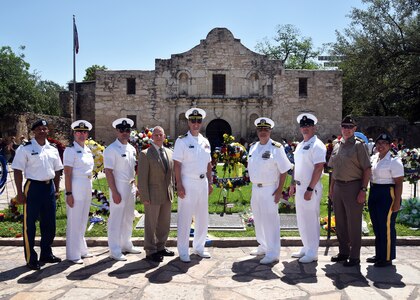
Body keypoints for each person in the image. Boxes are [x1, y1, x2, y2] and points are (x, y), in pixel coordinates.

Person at [11, 119, 63, 270]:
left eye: (45, 128)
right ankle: (31, 258)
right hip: (33, 188)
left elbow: (57, 170)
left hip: (49, 188)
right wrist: (20, 193)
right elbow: (17, 170)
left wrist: (57, 189)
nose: (42, 131)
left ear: (48, 131)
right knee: (30, 225)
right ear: (34, 131)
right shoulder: (25, 148)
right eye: (39, 128)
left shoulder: (52, 148)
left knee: (50, 224)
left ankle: (46, 253)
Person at [247, 117, 292, 264]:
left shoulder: (276, 148)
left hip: (270, 189)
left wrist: (279, 190)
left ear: (270, 130)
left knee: (271, 220)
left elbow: (284, 170)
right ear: (257, 131)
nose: (263, 132)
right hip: (256, 189)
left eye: (266, 129)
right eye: (260, 129)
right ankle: (263, 246)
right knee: (259, 219)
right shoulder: (253, 147)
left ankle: (273, 252)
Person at [328, 116, 371, 267]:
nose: (346, 129)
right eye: (344, 126)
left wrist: (363, 190)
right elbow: (334, 169)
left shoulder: (359, 146)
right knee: (340, 222)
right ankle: (343, 252)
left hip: (353, 186)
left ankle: (354, 256)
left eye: (349, 127)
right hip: (338, 186)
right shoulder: (337, 145)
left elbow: (367, 168)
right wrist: (331, 189)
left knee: (353, 223)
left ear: (354, 129)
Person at [173, 108, 213, 263]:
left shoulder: (205, 141)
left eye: (198, 121)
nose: (196, 124)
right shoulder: (182, 141)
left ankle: (199, 247)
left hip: (202, 182)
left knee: (202, 217)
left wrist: (210, 181)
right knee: (185, 217)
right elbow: (177, 164)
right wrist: (179, 185)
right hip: (188, 182)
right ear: (188, 122)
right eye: (193, 121)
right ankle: (183, 250)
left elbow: (209, 164)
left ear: (201, 122)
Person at [289, 113, 326, 263]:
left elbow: (318, 167)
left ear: (314, 128)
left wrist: (310, 189)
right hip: (299, 186)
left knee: (311, 219)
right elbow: (296, 166)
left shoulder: (317, 145)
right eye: (303, 126)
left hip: (310, 187)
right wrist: (292, 183)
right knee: (302, 219)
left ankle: (313, 251)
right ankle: (306, 246)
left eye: (308, 126)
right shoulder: (300, 144)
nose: (305, 128)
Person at [104, 118, 141, 261]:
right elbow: (108, 172)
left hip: (130, 187)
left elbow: (133, 169)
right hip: (118, 186)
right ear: (116, 131)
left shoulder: (131, 148)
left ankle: (126, 243)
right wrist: (114, 192)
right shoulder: (111, 149)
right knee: (116, 219)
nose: (125, 133)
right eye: (121, 130)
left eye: (127, 130)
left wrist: (136, 186)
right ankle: (114, 249)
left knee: (128, 217)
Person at [138, 126, 175, 262]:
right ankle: (150, 250)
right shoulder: (145, 154)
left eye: (161, 135)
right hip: (152, 195)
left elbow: (171, 175)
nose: (158, 137)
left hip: (167, 194)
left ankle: (161, 246)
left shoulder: (169, 153)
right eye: (156, 135)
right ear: (151, 137)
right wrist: (144, 196)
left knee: (164, 223)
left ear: (164, 136)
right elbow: (141, 178)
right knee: (151, 224)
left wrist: (172, 190)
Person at [367, 133, 404, 267]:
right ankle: (380, 254)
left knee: (387, 226)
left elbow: (399, 182)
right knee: (377, 225)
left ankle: (387, 257)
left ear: (389, 145)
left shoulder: (394, 160)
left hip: (387, 193)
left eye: (384, 143)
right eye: (379, 143)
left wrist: (397, 202)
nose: (381, 146)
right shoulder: (374, 158)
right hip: (375, 191)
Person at [64, 120, 95, 264]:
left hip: (87, 186)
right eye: (78, 132)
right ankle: (72, 254)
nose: (81, 135)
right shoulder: (70, 150)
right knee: (74, 221)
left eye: (84, 132)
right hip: (75, 186)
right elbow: (68, 174)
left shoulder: (87, 150)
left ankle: (82, 249)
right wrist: (69, 194)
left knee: (83, 220)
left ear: (87, 133)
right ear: (74, 133)